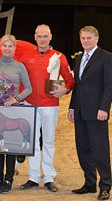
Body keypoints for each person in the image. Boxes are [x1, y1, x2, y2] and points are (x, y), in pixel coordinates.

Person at [19, 24, 75, 192]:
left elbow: (69, 79)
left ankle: (49, 177)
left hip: (50, 106)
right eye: (39, 36)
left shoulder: (59, 56)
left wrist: (65, 89)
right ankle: (33, 177)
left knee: (48, 141)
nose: (42, 39)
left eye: (45, 36)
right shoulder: (26, 55)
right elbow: (20, 80)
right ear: (35, 37)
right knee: (32, 142)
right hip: (30, 105)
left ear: (50, 37)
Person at [68, 26, 112, 200]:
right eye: (83, 38)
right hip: (80, 111)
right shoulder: (79, 58)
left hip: (97, 112)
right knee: (83, 149)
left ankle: (105, 186)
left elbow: (110, 85)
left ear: (96, 38)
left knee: (100, 149)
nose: (86, 41)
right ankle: (89, 184)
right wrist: (72, 108)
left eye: (89, 38)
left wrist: (104, 108)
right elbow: (78, 86)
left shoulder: (106, 57)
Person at [0, 34, 32, 194]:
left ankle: (9, 179)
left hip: (12, 108)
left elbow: (29, 88)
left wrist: (15, 98)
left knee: (9, 146)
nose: (7, 49)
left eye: (10, 46)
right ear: (0, 47)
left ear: (14, 48)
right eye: (5, 46)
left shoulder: (19, 66)